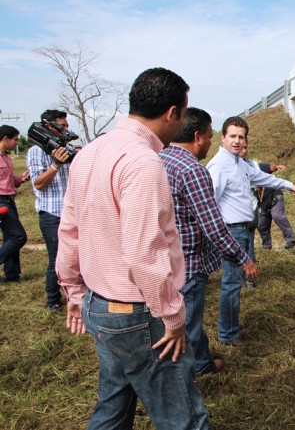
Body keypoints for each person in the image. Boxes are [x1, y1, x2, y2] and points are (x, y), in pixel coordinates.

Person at [56, 67, 213, 430]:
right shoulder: (143, 162)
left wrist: (75, 293)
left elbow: (70, 230)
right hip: (138, 313)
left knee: (114, 404)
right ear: (172, 113)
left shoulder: (91, 152)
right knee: (183, 417)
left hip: (100, 304)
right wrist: (172, 316)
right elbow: (145, 252)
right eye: (182, 114)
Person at [159, 107, 259, 376]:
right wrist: (243, 258)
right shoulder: (194, 170)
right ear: (198, 136)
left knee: (180, 317)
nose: (210, 142)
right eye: (210, 136)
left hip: (161, 257)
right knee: (188, 321)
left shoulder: (159, 159)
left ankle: (202, 361)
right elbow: (213, 227)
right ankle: (185, 374)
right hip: (188, 261)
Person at [206, 116, 295, 346]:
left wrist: (289, 185)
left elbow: (262, 177)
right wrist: (217, 236)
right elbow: (210, 204)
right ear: (222, 138)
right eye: (232, 136)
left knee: (235, 282)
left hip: (243, 229)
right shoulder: (219, 166)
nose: (237, 141)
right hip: (231, 231)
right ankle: (227, 334)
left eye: (241, 137)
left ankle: (230, 327)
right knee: (231, 283)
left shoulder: (240, 163)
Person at [26, 109, 72, 312]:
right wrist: (55, 165)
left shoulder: (67, 147)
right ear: (48, 126)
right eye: (62, 126)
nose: (66, 129)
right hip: (51, 213)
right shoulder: (37, 151)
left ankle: (73, 297)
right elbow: (38, 183)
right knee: (57, 257)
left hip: (71, 212)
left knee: (73, 256)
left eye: (67, 126)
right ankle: (53, 300)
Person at [0, 125, 29, 283]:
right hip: (1, 202)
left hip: (10, 200)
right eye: (15, 139)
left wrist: (21, 179)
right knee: (19, 237)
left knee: (10, 236)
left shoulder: (7, 158)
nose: (17, 143)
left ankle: (12, 274)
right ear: (5, 139)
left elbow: (9, 182)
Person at [239, 140, 260, 290]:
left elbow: (260, 183)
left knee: (249, 245)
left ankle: (250, 279)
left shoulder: (252, 164)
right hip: (233, 214)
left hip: (250, 210)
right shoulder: (227, 165)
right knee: (237, 247)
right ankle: (238, 279)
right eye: (241, 148)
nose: (244, 150)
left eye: (246, 147)